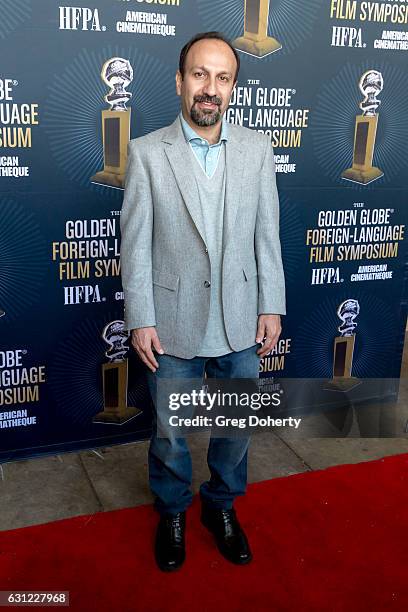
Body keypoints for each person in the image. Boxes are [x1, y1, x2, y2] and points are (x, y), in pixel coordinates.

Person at [120, 31, 286, 572]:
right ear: (179, 81)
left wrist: (272, 305)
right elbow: (135, 243)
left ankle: (220, 507)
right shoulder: (146, 153)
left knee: (235, 428)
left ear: (233, 87)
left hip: (239, 319)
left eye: (222, 77)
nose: (209, 88)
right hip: (171, 323)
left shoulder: (259, 150)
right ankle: (172, 510)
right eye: (199, 74)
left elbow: (268, 236)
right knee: (170, 431)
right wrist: (140, 317)